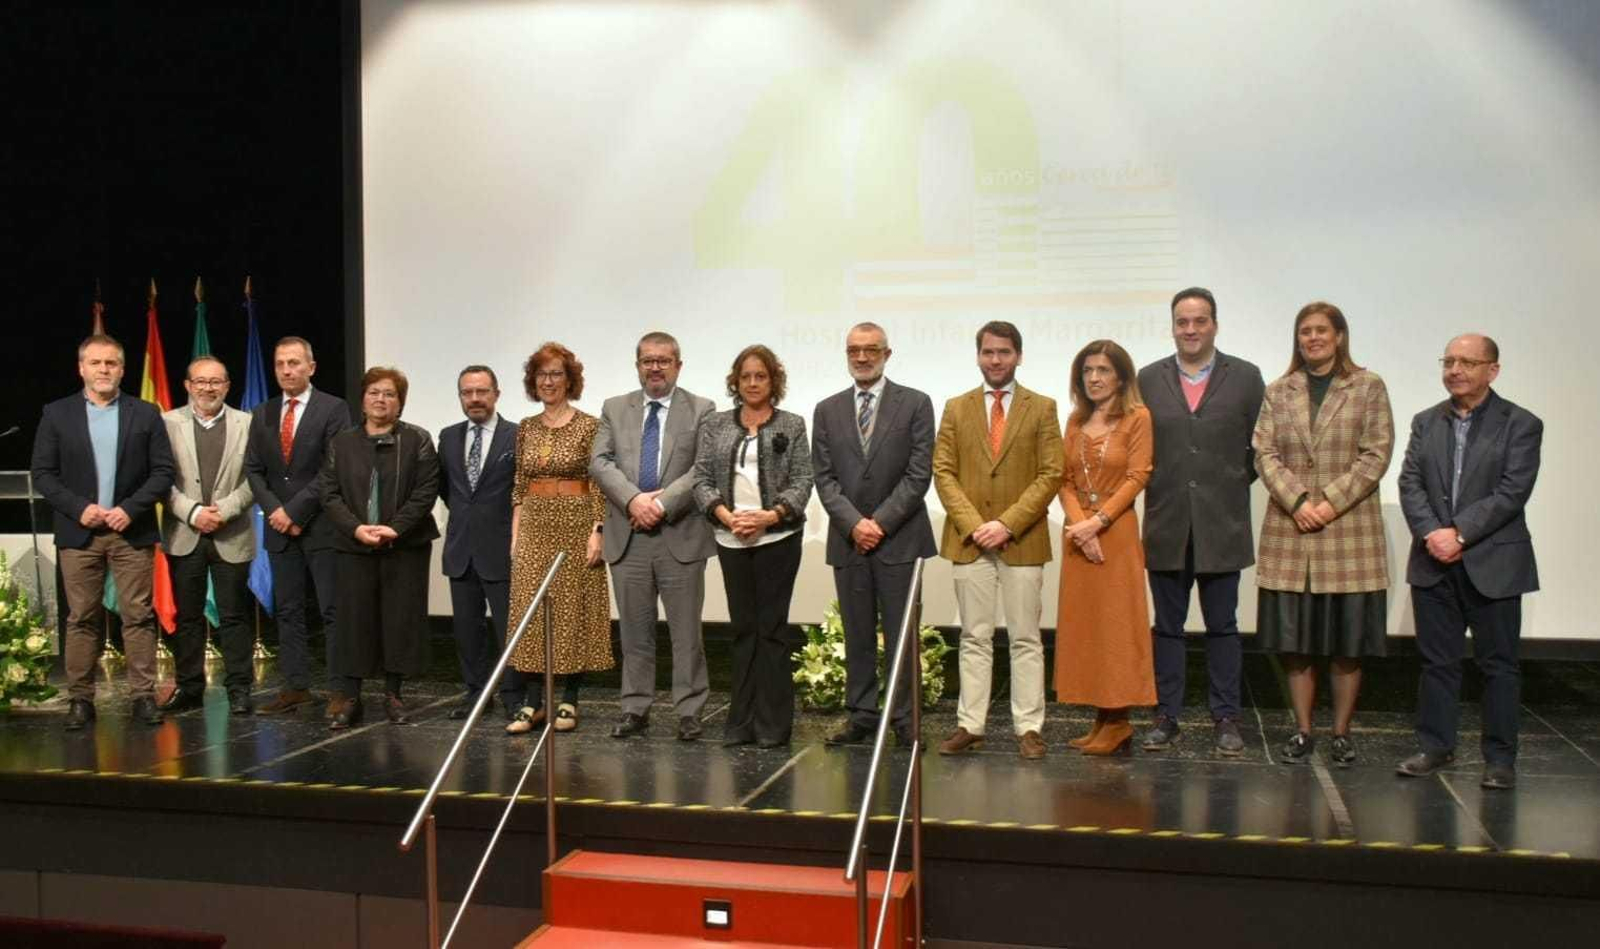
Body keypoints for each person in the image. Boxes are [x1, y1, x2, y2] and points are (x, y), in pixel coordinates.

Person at [1396, 335, 1541, 790]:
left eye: (1467, 362)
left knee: (1499, 666)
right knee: (1437, 663)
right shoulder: (1426, 421)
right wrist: (1432, 534)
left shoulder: (1521, 423)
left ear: (1492, 370)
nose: (1455, 370)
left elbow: (1512, 491)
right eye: (1449, 361)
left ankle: (1499, 759)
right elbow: (1410, 483)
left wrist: (1459, 534)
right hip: (1434, 560)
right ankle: (1435, 746)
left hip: (1493, 563)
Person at [1253, 302, 1394, 765]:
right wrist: (1298, 502)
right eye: (1305, 332)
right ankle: (1302, 730)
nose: (1312, 338)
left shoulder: (1368, 386)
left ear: (1339, 336)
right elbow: (1264, 453)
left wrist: (1329, 503)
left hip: (1347, 533)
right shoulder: (1279, 390)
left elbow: (1376, 453)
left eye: (1321, 330)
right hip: (1291, 531)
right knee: (1296, 646)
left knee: (1347, 647)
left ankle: (1341, 733)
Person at [1136, 288, 1265, 756]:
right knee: (1167, 626)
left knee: (1223, 626)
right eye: (1182, 322)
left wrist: (1227, 482)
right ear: (1173, 326)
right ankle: (1166, 715)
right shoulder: (1147, 379)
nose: (1191, 329)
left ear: (1215, 325)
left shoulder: (1246, 377)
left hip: (1221, 523)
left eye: (1200, 321)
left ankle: (1226, 717)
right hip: (1167, 521)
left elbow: (1260, 447)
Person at [933, 321, 1063, 760]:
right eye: (988, 352)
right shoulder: (956, 408)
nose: (995, 359)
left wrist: (1006, 524)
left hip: (1021, 540)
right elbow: (943, 472)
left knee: (1025, 637)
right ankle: (971, 725)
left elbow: (1051, 474)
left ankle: (1029, 728)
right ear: (978, 356)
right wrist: (975, 525)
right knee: (974, 636)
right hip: (969, 542)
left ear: (1018, 356)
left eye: (1004, 352)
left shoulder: (1042, 408)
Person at [31, 335, 175, 729]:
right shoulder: (56, 414)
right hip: (79, 533)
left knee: (138, 616)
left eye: (111, 363)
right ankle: (80, 699)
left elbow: (163, 471)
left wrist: (130, 509)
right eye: (95, 363)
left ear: (122, 369)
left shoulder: (145, 413)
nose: (103, 369)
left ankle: (143, 696)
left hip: (132, 531)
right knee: (81, 618)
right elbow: (43, 474)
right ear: (81, 368)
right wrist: (80, 509)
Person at [812, 323, 937, 748]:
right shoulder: (827, 409)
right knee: (857, 633)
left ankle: (905, 721)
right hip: (849, 541)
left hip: (899, 539)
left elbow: (919, 474)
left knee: (902, 635)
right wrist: (854, 524)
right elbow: (824, 478)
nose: (862, 358)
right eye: (854, 350)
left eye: (870, 350)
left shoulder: (916, 403)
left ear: (887, 354)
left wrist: (879, 523)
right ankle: (862, 715)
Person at [591, 331, 716, 741]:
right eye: (648, 360)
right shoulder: (614, 408)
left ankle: (690, 711)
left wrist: (660, 505)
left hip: (679, 534)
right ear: (638, 365)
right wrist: (633, 501)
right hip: (628, 535)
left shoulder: (702, 409)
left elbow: (703, 468)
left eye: (663, 360)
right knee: (634, 631)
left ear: (678, 365)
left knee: (686, 633)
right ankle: (635, 708)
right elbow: (600, 462)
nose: (655, 368)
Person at [693, 344, 813, 748]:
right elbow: (701, 479)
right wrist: (727, 517)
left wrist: (769, 516)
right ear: (736, 381)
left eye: (760, 376)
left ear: (773, 381)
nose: (752, 383)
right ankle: (741, 722)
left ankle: (773, 725)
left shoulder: (792, 424)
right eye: (745, 376)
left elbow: (803, 481)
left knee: (772, 631)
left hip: (778, 537)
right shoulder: (715, 424)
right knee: (743, 630)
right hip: (730, 538)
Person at [317, 367, 440, 728]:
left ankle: (393, 695)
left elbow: (426, 490)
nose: (380, 400)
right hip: (352, 545)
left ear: (400, 402)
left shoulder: (418, 440)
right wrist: (356, 529)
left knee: (399, 621)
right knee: (353, 622)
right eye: (374, 392)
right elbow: (329, 492)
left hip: (404, 545)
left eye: (389, 394)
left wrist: (395, 528)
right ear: (362, 399)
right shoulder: (341, 442)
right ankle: (350, 698)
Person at [504, 343, 612, 735]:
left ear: (570, 380)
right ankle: (533, 701)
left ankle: (569, 698)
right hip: (534, 525)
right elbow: (520, 484)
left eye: (556, 374)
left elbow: (598, 483)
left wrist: (598, 531)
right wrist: (516, 534)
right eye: (542, 374)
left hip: (576, 522)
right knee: (531, 610)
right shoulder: (526, 427)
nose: (548, 381)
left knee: (572, 609)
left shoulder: (589, 425)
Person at [1055, 341, 1155, 755]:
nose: (1094, 378)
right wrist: (1081, 525)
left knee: (1117, 627)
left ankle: (1119, 721)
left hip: (1116, 532)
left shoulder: (1138, 417)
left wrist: (1098, 523)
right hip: (1079, 534)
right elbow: (1063, 480)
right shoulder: (1076, 420)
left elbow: (1138, 475)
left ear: (1121, 377)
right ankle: (1101, 718)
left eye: (1103, 370)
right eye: (1087, 371)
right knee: (1088, 628)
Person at [244, 336, 353, 714]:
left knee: (332, 610)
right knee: (288, 610)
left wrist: (294, 511)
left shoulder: (334, 409)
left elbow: (333, 468)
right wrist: (277, 511)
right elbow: (253, 470)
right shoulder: (263, 412)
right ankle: (295, 687)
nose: (286, 370)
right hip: (279, 529)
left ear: (311, 367)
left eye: (294, 363)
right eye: (280, 364)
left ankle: (340, 690)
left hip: (321, 525)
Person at [159, 356, 258, 715]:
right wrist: (193, 513)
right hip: (184, 532)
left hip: (232, 532)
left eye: (216, 382)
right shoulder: (166, 423)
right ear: (188, 385)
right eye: (200, 381)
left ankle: (239, 689)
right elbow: (159, 478)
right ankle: (189, 687)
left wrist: (224, 510)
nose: (208, 388)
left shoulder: (248, 423)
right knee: (188, 617)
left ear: (227, 386)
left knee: (234, 616)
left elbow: (256, 477)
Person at [438, 365, 525, 723]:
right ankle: (476, 695)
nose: (474, 399)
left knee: (509, 629)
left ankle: (514, 697)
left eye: (482, 391)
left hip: (503, 549)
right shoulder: (448, 437)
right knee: (467, 631)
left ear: (496, 394)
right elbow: (447, 490)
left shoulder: (517, 435)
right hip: (461, 549)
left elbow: (523, 492)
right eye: (467, 392)